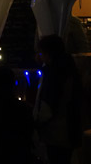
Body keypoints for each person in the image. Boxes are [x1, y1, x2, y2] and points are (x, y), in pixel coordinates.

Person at [33, 35, 82, 164]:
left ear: (48, 54)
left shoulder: (53, 73)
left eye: (41, 53)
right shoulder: (71, 68)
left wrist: (37, 122)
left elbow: (47, 106)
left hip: (56, 132)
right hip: (71, 128)